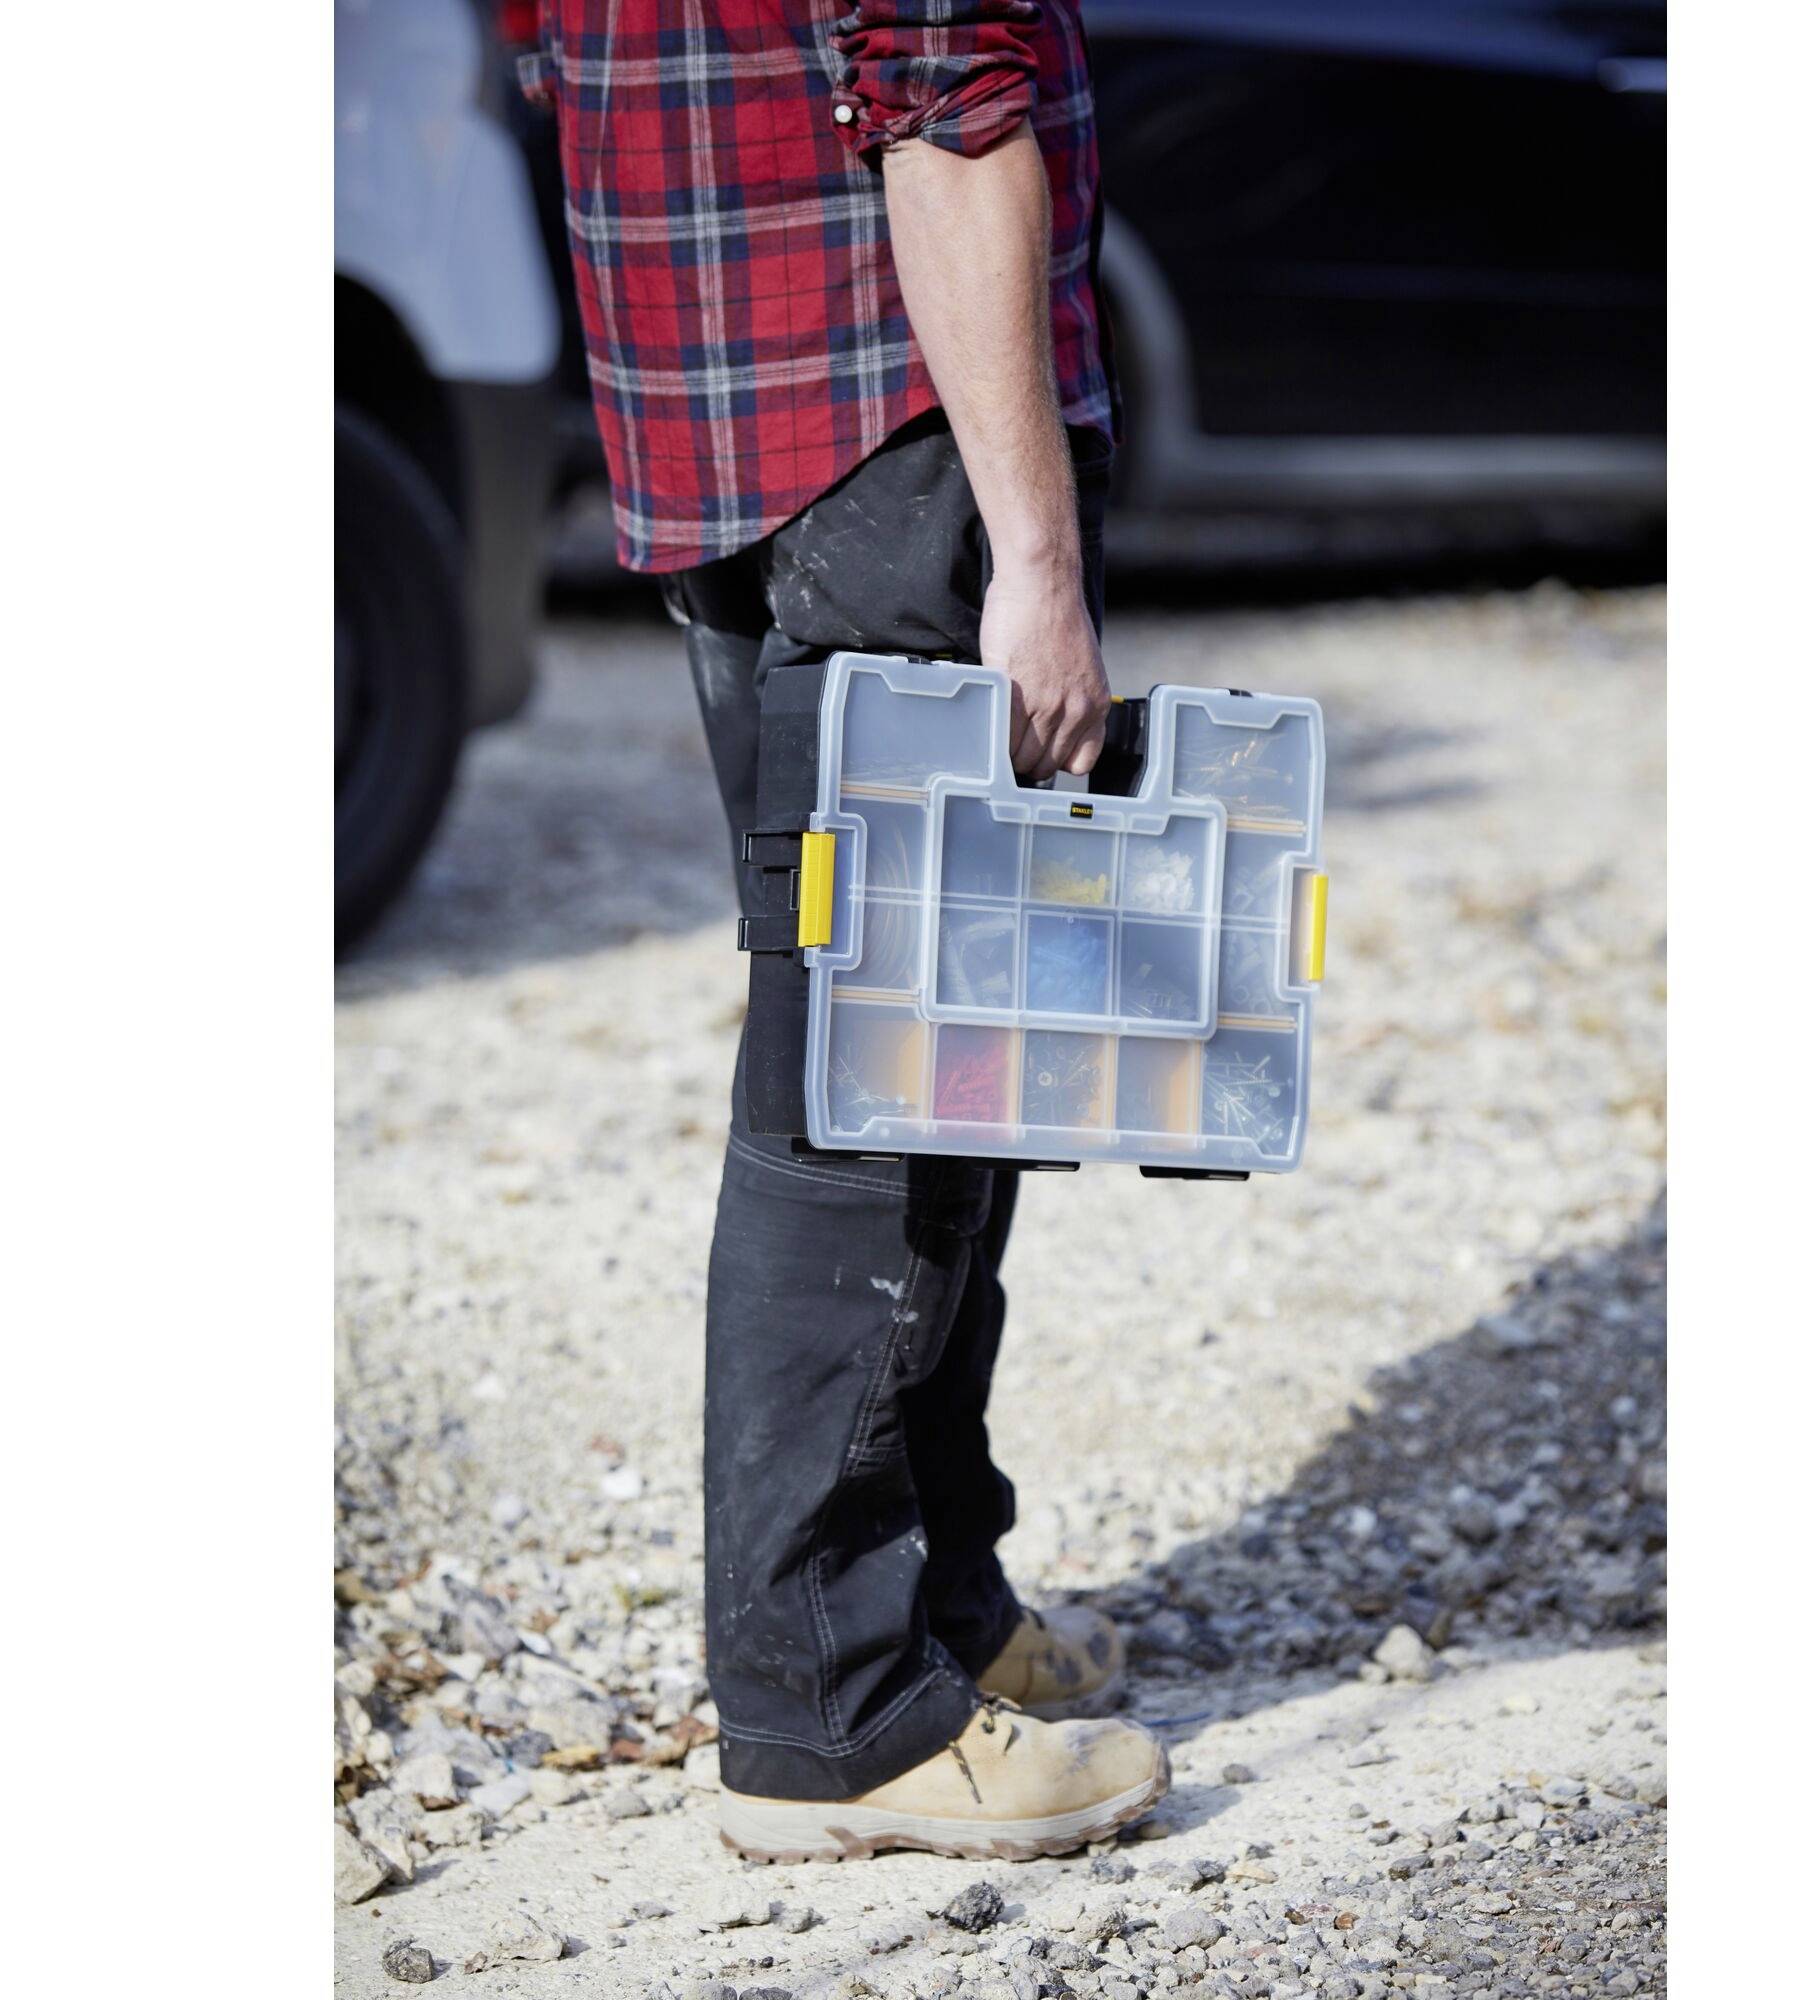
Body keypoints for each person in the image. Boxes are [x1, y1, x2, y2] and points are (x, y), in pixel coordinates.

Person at [523, 2, 1170, 1860]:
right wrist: (1038, 565)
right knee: (868, 1074)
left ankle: (936, 1609)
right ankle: (832, 1711)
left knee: (939, 1041)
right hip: (890, 421)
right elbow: (951, 108)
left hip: (721, 420)